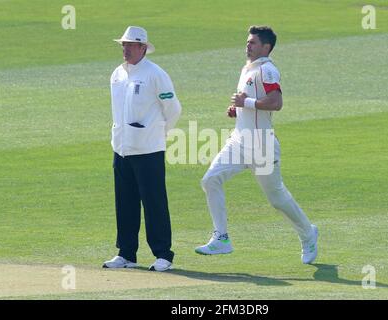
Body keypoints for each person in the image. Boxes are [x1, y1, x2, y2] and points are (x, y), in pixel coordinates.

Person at [196, 26, 318, 264]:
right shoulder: (247, 69)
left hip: (261, 146)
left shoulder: (267, 70)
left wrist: (247, 102)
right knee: (210, 180)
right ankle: (221, 238)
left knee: (277, 198)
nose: (247, 45)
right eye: (247, 41)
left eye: (252, 42)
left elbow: (276, 102)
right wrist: (238, 108)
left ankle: (308, 233)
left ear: (266, 47)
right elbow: (251, 104)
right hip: (239, 142)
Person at [103, 26, 181, 271]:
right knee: (125, 202)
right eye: (123, 44)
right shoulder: (117, 74)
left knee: (154, 202)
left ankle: (163, 254)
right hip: (122, 148)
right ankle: (126, 253)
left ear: (143, 48)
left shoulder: (155, 74)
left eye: (130, 45)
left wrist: (158, 133)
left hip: (149, 149)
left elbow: (173, 109)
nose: (125, 49)